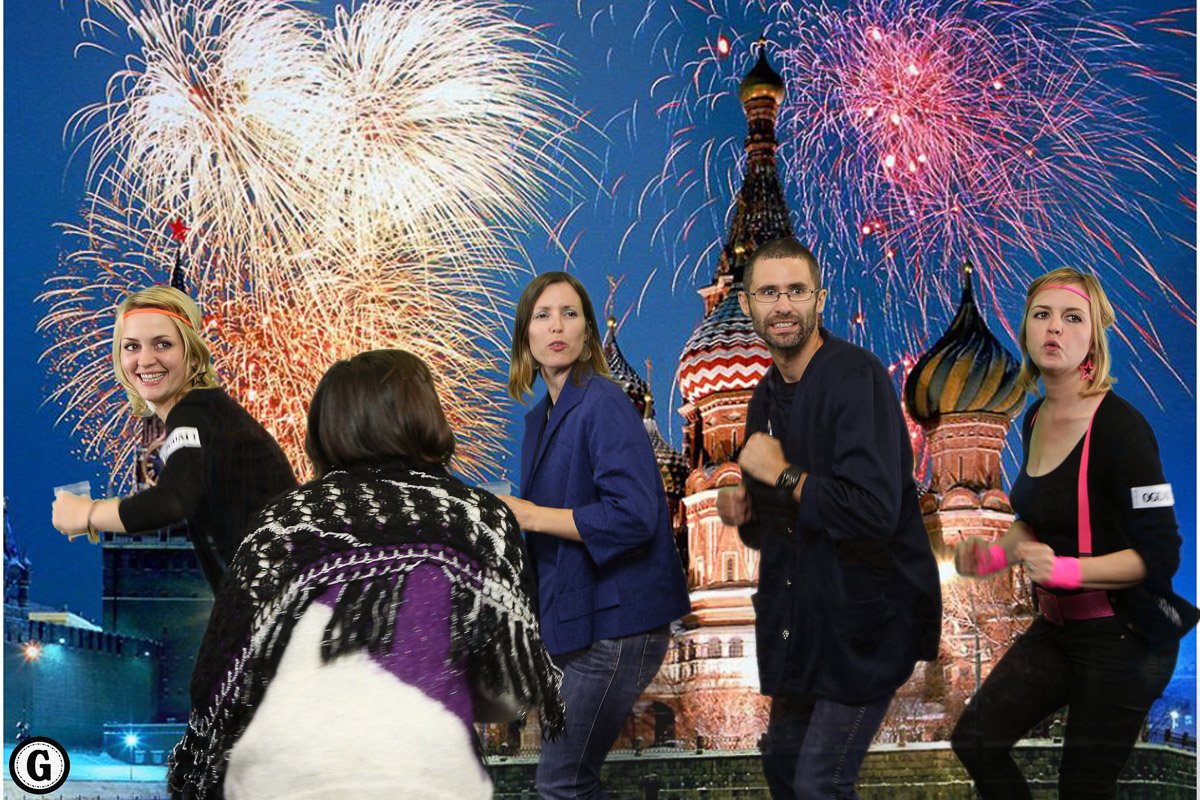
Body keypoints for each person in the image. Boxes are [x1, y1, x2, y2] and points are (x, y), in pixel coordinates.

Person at [167, 349, 564, 800]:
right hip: (426, 780)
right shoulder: (479, 519)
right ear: (427, 416)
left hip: (282, 780)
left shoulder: (281, 525)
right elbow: (512, 692)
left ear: (323, 430)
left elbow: (221, 681)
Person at [950, 268, 1194, 799]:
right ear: (1026, 330)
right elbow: (1035, 521)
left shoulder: (1122, 429)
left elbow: (1161, 555)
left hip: (1124, 635)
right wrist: (993, 555)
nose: (1054, 327)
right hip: (1058, 628)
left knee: (1082, 788)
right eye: (1042, 315)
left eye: (1072, 317)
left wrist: (1068, 570)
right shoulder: (1035, 417)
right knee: (976, 740)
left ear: (1093, 338)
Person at [716, 237, 941, 800]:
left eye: (796, 291)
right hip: (801, 626)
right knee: (784, 772)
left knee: (821, 782)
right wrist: (744, 513)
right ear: (746, 304)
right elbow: (777, 528)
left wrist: (783, 474)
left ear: (819, 299)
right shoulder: (763, 399)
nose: (783, 305)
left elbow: (872, 511)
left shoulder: (856, 377)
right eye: (768, 292)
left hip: (864, 625)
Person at [498, 271, 691, 800]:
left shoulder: (603, 400)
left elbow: (634, 514)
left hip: (619, 625)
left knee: (563, 782)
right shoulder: (540, 421)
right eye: (543, 315)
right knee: (567, 781)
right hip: (581, 623)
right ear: (526, 335)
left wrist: (531, 515)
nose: (557, 326)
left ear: (586, 332)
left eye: (570, 314)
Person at [50, 286, 295, 592]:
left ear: (192, 356)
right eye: (131, 346)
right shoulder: (208, 411)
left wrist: (88, 513)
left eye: (163, 344)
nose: (145, 359)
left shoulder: (193, 411)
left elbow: (173, 500)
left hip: (289, 597)